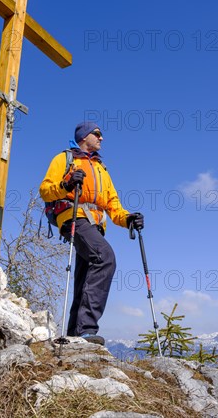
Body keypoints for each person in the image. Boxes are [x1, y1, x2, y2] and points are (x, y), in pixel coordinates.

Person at [39, 121, 144, 345]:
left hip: (95, 225)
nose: (101, 138)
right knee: (105, 258)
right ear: (84, 136)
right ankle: (87, 328)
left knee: (85, 277)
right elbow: (45, 190)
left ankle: (74, 335)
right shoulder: (65, 159)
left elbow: (113, 204)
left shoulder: (101, 168)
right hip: (73, 217)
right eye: (97, 134)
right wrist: (66, 184)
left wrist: (128, 219)